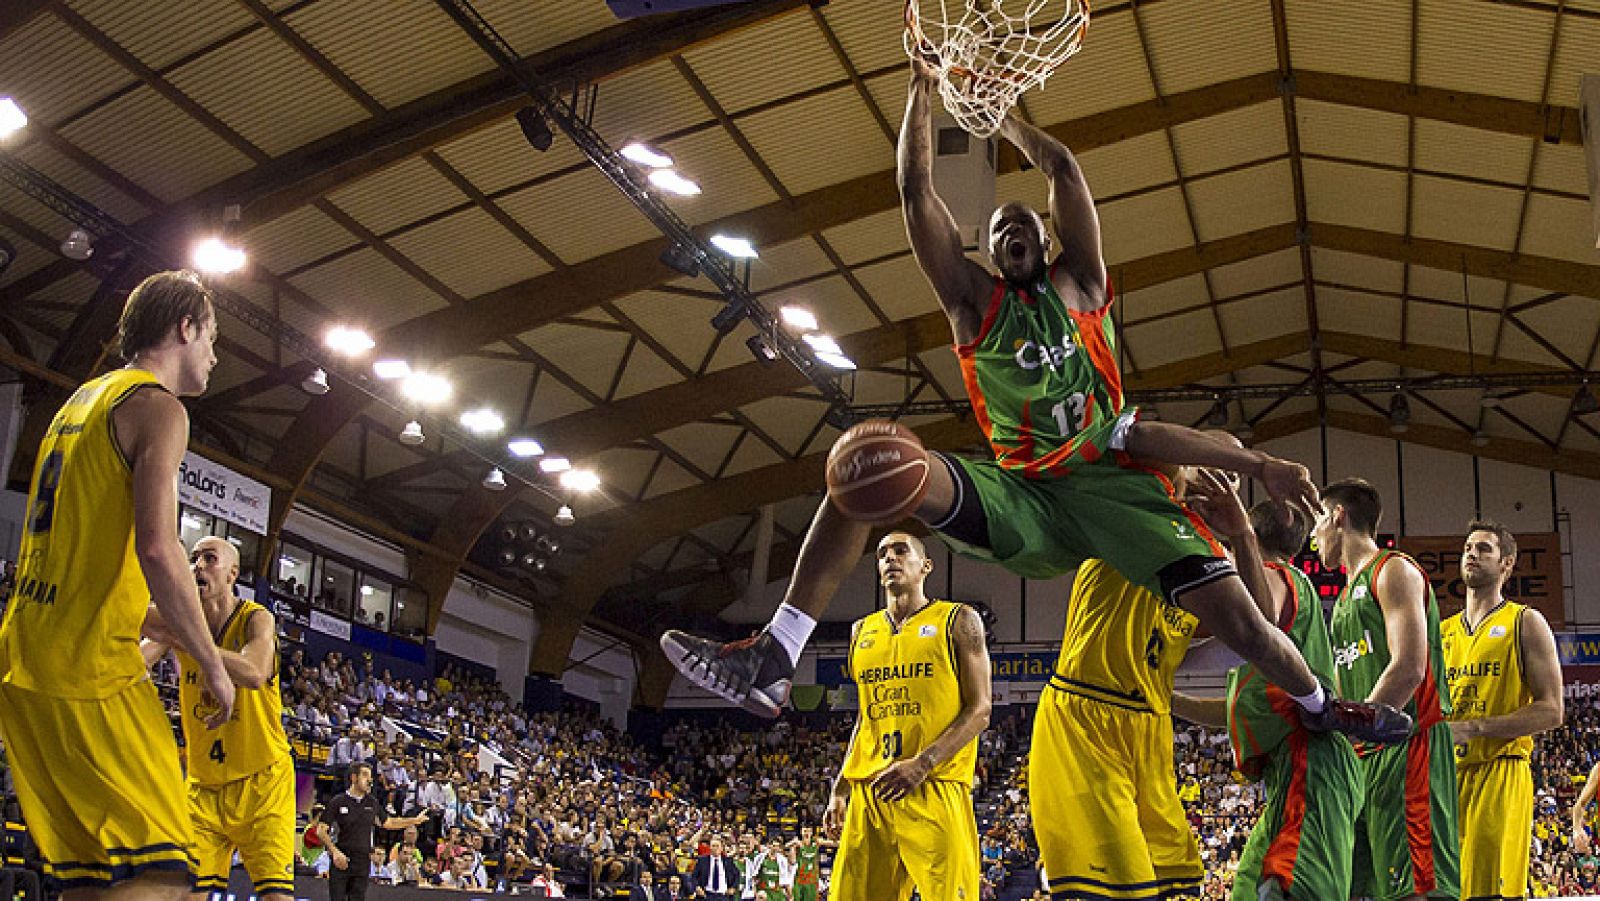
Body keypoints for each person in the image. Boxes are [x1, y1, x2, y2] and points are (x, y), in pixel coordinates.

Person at [660, 49, 1407, 751]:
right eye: (996, 227)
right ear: (984, 252)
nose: (1012, 227)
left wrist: (998, 112)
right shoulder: (970, 304)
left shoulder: (1080, 286)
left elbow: (1065, 167)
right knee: (865, 467)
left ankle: (1323, 707)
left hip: (1115, 487)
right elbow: (914, 191)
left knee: (1242, 623)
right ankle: (774, 651)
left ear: (1045, 239)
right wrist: (924, 90)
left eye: (1024, 222)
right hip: (1024, 491)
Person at [0, 270, 234, 897]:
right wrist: (212, 665)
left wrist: (178, 636)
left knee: (90, 878)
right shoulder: (159, 409)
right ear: (185, 328)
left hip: (24, 658)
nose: (215, 353)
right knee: (168, 869)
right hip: (87, 668)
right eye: (212, 336)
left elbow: (96, 570)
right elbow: (159, 550)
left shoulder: (82, 401)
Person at [1024, 458, 1231, 900]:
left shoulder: (1206, 561)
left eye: (1229, 478)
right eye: (1211, 469)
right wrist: (1183, 475)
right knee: (1120, 889)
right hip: (1087, 719)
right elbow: (1140, 466)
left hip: (1149, 728)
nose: (1217, 483)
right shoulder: (1126, 521)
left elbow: (1252, 626)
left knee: (1180, 885)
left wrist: (1244, 536)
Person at [1172, 480, 1362, 900]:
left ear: (1250, 537)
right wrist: (1166, 695)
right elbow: (1234, 709)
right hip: (1290, 769)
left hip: (1315, 761)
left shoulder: (1276, 578)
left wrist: (1237, 534)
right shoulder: (1259, 650)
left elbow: (1263, 618)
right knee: (1249, 890)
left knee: (1293, 890)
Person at [822, 531, 991, 901]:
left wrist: (923, 763)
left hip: (934, 785)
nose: (890, 559)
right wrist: (840, 788)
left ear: (925, 566)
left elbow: (980, 710)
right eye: (882, 554)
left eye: (901, 551)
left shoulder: (959, 620)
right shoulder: (860, 631)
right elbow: (866, 719)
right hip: (872, 789)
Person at [1315, 478, 1460, 900]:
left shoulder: (1393, 569)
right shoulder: (1342, 601)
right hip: (1365, 758)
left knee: (1418, 889)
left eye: (1318, 522)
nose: (1313, 537)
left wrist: (1348, 726)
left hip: (1407, 747)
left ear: (1338, 516)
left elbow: (1409, 667)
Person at [140, 535, 296, 901]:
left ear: (232, 574)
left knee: (276, 897)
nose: (199, 566)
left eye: (210, 559)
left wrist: (190, 643)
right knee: (188, 896)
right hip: (203, 788)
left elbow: (255, 671)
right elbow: (136, 659)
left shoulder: (256, 619)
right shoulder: (181, 622)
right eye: (193, 559)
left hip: (262, 784)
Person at [1442, 520, 1564, 900]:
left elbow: (1551, 710)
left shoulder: (1525, 621)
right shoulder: (1442, 632)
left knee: (1489, 894)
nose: (1472, 555)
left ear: (1507, 563)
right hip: (1447, 778)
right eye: (1467, 549)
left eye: (1483, 549)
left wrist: (1474, 727)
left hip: (1500, 770)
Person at [318, 763, 430, 901]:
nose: (369, 780)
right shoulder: (338, 801)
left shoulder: (372, 803)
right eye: (365, 775)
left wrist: (414, 821)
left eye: (370, 776)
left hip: (362, 861)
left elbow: (389, 823)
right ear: (353, 778)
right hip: (341, 859)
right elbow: (321, 831)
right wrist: (334, 852)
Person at [692, 836, 739, 901]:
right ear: (710, 847)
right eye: (713, 846)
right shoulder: (702, 860)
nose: (715, 848)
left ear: (722, 848)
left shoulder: (728, 861)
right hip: (706, 895)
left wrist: (733, 888)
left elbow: (737, 875)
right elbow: (694, 876)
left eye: (717, 846)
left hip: (724, 896)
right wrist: (697, 887)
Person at [788, 825, 827, 901]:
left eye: (809, 831)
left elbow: (830, 843)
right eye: (805, 831)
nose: (807, 833)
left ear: (812, 832)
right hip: (800, 880)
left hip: (812, 880)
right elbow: (792, 861)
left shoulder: (816, 843)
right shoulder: (797, 845)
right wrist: (792, 845)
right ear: (801, 832)